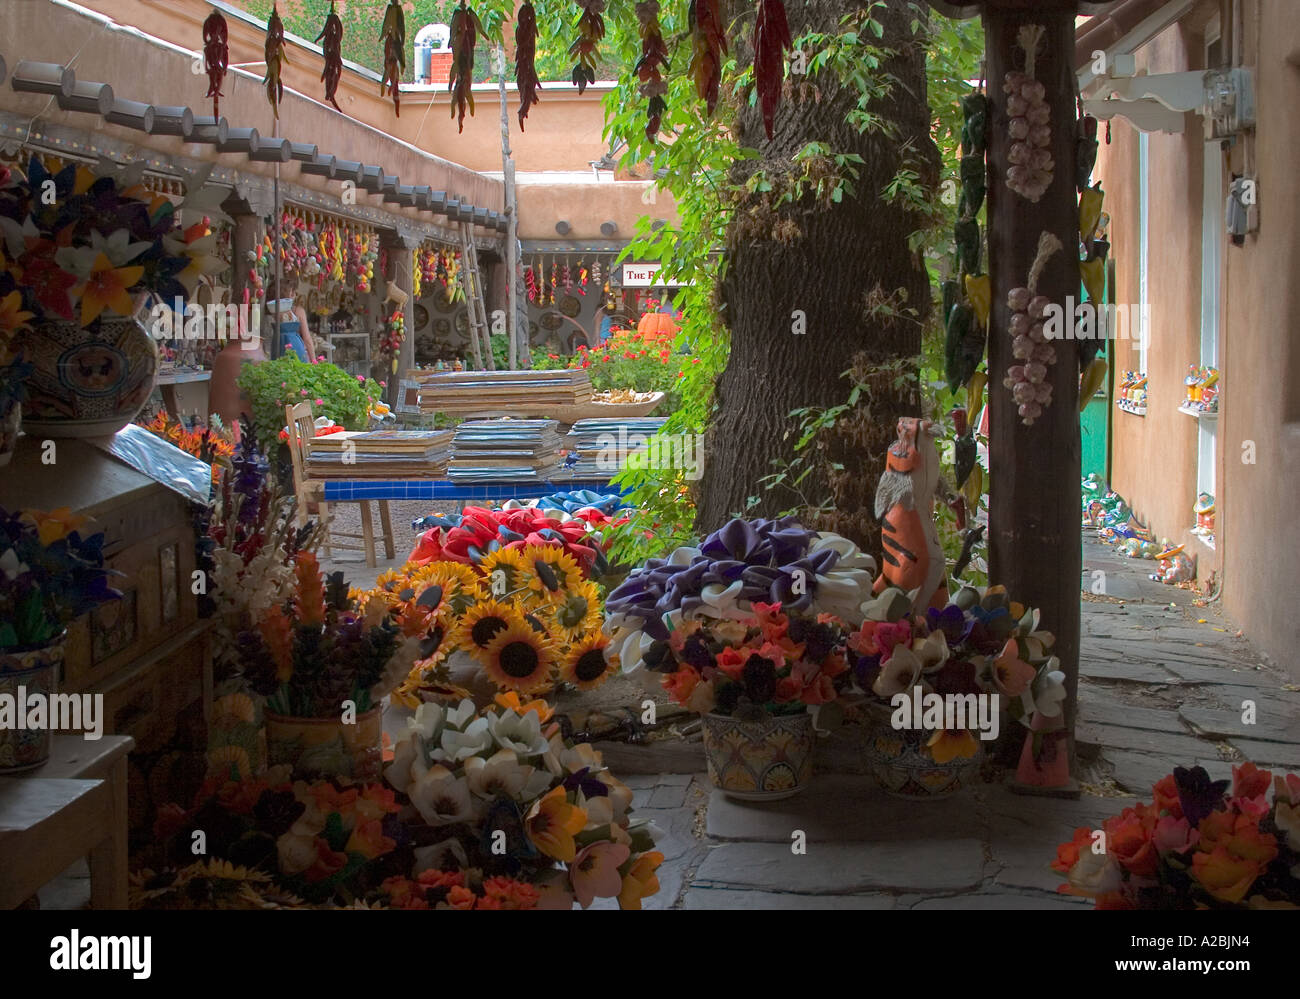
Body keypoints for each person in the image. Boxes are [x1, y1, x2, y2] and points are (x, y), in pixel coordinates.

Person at [265, 278, 318, 362]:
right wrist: (314, 360)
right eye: (292, 291)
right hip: (294, 345)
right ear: (286, 294)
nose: (294, 294)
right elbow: (307, 338)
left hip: (277, 344)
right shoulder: (298, 311)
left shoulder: (273, 310)